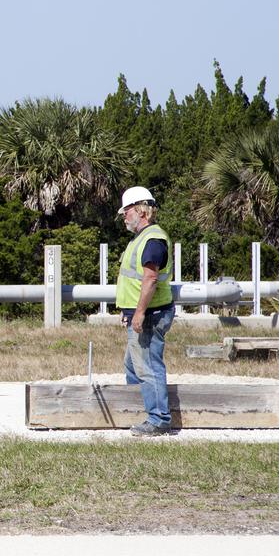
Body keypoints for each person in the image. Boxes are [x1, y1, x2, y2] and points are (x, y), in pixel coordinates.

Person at [115, 186, 175, 436]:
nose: (124, 216)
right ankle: (138, 411)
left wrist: (139, 313)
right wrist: (128, 309)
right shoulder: (141, 238)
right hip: (140, 313)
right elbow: (134, 279)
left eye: (126, 211)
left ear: (141, 210)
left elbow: (150, 280)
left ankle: (159, 418)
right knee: (132, 364)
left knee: (148, 366)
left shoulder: (152, 239)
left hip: (150, 315)